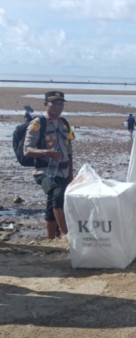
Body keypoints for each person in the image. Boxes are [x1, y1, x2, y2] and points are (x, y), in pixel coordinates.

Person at [23, 91, 73, 240]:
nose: (59, 106)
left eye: (61, 103)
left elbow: (69, 152)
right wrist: (46, 152)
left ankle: (50, 239)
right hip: (43, 171)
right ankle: (65, 233)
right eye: (55, 103)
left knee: (53, 202)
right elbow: (27, 150)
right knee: (57, 193)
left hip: (63, 171)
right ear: (46, 104)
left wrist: (71, 174)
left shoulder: (64, 123)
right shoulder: (38, 123)